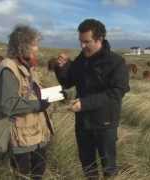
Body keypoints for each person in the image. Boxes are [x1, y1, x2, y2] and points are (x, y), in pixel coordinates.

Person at [54, 19, 130, 179]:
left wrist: (85, 103)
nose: (82, 46)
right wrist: (61, 68)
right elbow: (67, 82)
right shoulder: (81, 60)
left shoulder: (116, 62)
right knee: (88, 166)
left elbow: (117, 92)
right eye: (80, 41)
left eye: (86, 42)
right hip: (82, 123)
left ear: (99, 39)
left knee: (108, 167)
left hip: (105, 123)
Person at [0, 24, 53, 180]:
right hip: (21, 137)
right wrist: (38, 105)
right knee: (23, 174)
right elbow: (7, 104)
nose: (37, 48)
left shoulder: (27, 66)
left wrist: (54, 94)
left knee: (39, 170)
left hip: (36, 133)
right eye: (34, 44)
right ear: (23, 46)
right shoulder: (8, 69)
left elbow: (31, 92)